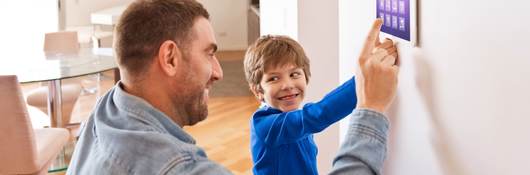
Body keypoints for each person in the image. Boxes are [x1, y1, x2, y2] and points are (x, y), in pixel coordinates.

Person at [66, 0, 399, 174]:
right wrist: (369, 102)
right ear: (169, 57)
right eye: (209, 53)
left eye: (294, 74)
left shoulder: (109, 109)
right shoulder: (177, 167)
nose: (218, 72)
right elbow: (319, 114)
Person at [244, 33, 396, 174]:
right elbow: (318, 115)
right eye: (274, 79)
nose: (288, 85)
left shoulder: (293, 119)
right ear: (258, 91)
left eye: (294, 74)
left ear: (306, 77)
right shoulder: (264, 125)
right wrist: (364, 79)